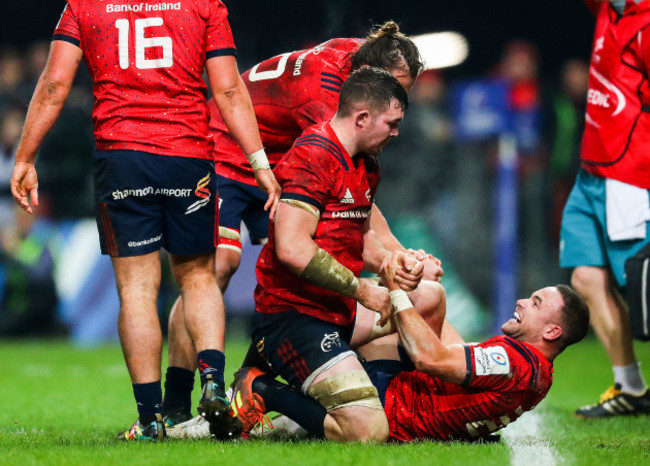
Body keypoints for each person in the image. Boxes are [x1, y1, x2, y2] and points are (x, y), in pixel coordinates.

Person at [10, 0, 280, 441]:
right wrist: (259, 162)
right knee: (197, 277)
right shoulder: (203, 5)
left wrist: (25, 156)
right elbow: (228, 89)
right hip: (188, 158)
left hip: (122, 158)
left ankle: (151, 419)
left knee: (136, 288)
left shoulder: (84, 6)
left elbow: (55, 83)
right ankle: (212, 379)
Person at [162, 21, 445, 426]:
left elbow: (357, 204)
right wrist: (398, 259)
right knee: (216, 267)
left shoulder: (365, 56)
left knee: (310, 258)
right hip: (223, 148)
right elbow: (354, 196)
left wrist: (403, 259)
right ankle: (175, 403)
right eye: (397, 90)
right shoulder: (329, 101)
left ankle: (250, 386)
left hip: (276, 160)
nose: (399, 101)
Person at [171, 255, 590, 442]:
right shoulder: (537, 371)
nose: (521, 301)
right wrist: (419, 290)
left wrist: (397, 292)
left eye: (535, 303)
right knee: (429, 299)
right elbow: (454, 351)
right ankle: (292, 344)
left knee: (360, 434)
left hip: (393, 408)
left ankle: (260, 386)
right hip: (395, 388)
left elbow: (433, 357)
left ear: (552, 332)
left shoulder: (516, 360)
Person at [229, 67, 419, 443]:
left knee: (428, 298)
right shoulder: (313, 155)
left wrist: (395, 263)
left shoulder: (367, 162)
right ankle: (261, 388)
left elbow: (358, 238)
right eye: (392, 123)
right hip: (294, 317)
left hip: (337, 311)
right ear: (362, 118)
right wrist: (365, 291)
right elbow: (292, 249)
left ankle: (391, 401)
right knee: (367, 433)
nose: (396, 132)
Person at [559, 0, 650, 417]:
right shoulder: (608, 8)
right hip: (590, 172)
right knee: (585, 276)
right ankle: (630, 387)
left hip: (628, 176)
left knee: (642, 288)